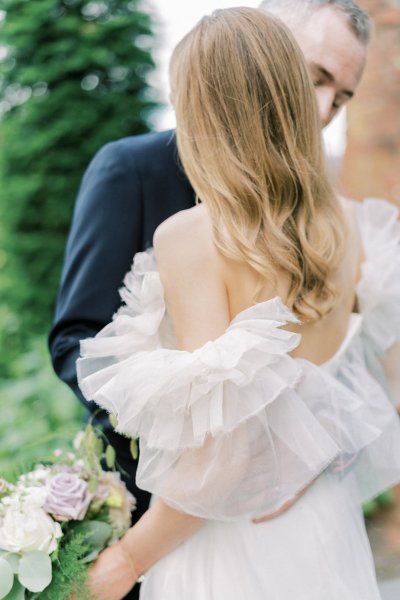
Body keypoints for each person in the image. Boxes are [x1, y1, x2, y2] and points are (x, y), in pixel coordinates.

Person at [49, 1, 370, 598]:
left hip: (223, 536)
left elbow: (226, 454)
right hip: (321, 527)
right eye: (316, 80)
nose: (324, 105)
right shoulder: (346, 226)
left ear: (198, 103)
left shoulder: (192, 235)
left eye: (341, 94)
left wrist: (125, 562)